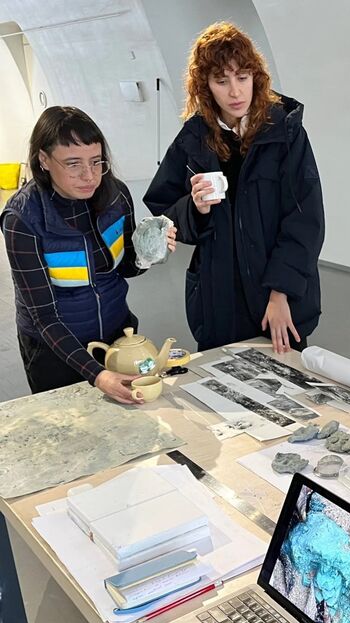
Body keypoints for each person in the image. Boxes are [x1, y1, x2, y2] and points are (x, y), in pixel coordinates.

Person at [145, 21, 324, 353]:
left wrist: (281, 292)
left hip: (278, 303)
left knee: (285, 396)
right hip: (219, 303)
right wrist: (193, 208)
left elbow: (305, 221)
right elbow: (163, 207)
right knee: (219, 396)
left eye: (242, 77)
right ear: (205, 86)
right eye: (221, 81)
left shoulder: (286, 133)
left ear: (256, 76)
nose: (235, 92)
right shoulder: (193, 138)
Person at [1, 106, 175, 403]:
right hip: (55, 350)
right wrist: (97, 374)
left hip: (117, 335)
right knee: (68, 431)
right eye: (73, 164)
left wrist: (148, 253)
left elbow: (125, 267)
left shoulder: (116, 196)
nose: (89, 176)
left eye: (96, 162)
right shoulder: (22, 218)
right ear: (44, 160)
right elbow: (43, 316)